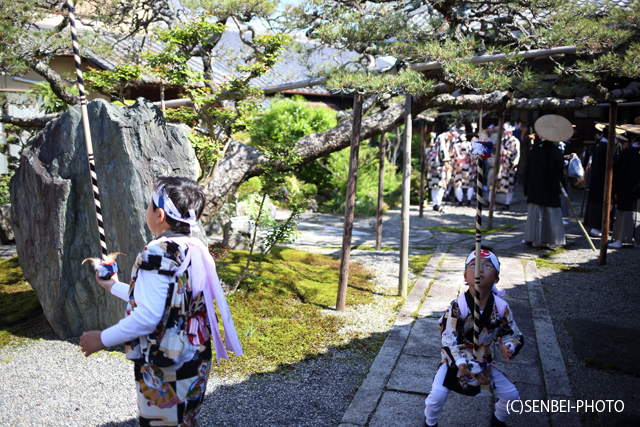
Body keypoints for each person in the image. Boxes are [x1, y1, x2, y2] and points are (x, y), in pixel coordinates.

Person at [79, 176, 243, 427]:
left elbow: (147, 317)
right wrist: (113, 286)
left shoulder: (158, 252)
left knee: (164, 423)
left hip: (166, 361)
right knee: (184, 420)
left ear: (159, 216)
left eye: (150, 205)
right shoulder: (195, 249)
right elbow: (170, 302)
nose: (147, 209)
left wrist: (101, 339)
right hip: (195, 356)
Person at [424, 248, 524, 427]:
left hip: (482, 361)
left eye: (487, 265)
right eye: (474, 265)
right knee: (436, 396)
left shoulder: (501, 308)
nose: (479, 269)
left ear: (496, 278)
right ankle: (430, 423)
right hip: (454, 361)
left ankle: (498, 420)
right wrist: (461, 362)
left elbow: (512, 333)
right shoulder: (458, 306)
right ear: (464, 276)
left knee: (512, 396)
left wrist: (509, 346)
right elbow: (450, 337)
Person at [522, 137, 566, 247]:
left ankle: (531, 238)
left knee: (534, 215)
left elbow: (526, 169)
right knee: (548, 216)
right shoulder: (556, 152)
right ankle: (544, 239)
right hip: (549, 189)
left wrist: (526, 187)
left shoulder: (535, 149)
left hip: (534, 188)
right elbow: (557, 173)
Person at [609, 138, 640, 248]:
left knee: (623, 215)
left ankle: (619, 240)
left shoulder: (626, 153)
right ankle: (637, 242)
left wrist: (616, 189)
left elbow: (618, 171)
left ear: (633, 141)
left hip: (626, 190)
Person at [495, 124, 521, 210]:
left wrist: (509, 154)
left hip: (510, 166)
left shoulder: (515, 141)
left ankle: (507, 203)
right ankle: (493, 202)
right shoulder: (502, 140)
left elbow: (516, 154)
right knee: (497, 183)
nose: (503, 132)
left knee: (510, 185)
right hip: (502, 166)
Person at [428, 130, 453, 212]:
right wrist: (446, 163)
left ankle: (435, 204)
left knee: (435, 185)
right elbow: (443, 151)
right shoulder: (443, 137)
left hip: (434, 165)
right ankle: (437, 204)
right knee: (440, 185)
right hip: (439, 165)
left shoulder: (438, 138)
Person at [452, 128, 475, 206]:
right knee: (469, 183)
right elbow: (472, 156)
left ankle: (460, 200)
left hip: (457, 165)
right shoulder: (468, 144)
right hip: (466, 164)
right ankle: (468, 199)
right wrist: (473, 166)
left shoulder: (455, 145)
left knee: (458, 182)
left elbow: (452, 156)